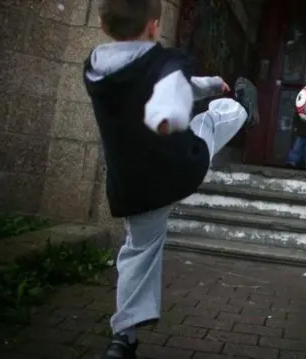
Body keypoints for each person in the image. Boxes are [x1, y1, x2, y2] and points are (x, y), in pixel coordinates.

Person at [82, 1, 258, 358]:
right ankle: (243, 109)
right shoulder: (165, 65)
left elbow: (168, 84)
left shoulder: (95, 70)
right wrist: (173, 112)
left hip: (132, 186)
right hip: (177, 168)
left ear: (102, 25)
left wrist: (207, 85)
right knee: (209, 122)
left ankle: (123, 339)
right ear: (153, 26)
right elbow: (171, 92)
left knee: (138, 250)